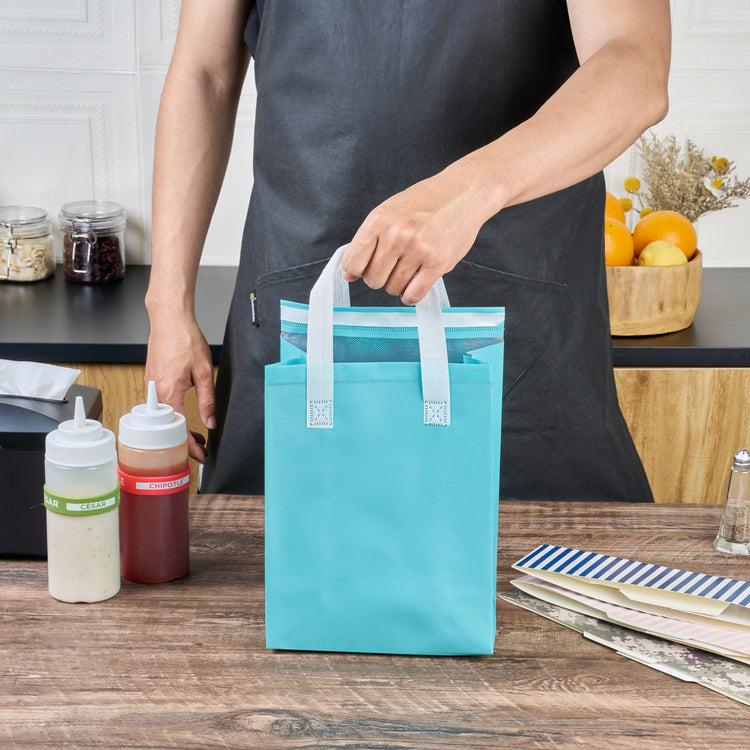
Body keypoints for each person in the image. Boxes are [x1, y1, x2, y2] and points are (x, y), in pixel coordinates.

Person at [145, 0, 671, 501]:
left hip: (521, 321)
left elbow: (635, 62)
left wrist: (469, 191)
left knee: (545, 553)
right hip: (296, 306)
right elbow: (204, 73)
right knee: (275, 552)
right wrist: (167, 305)